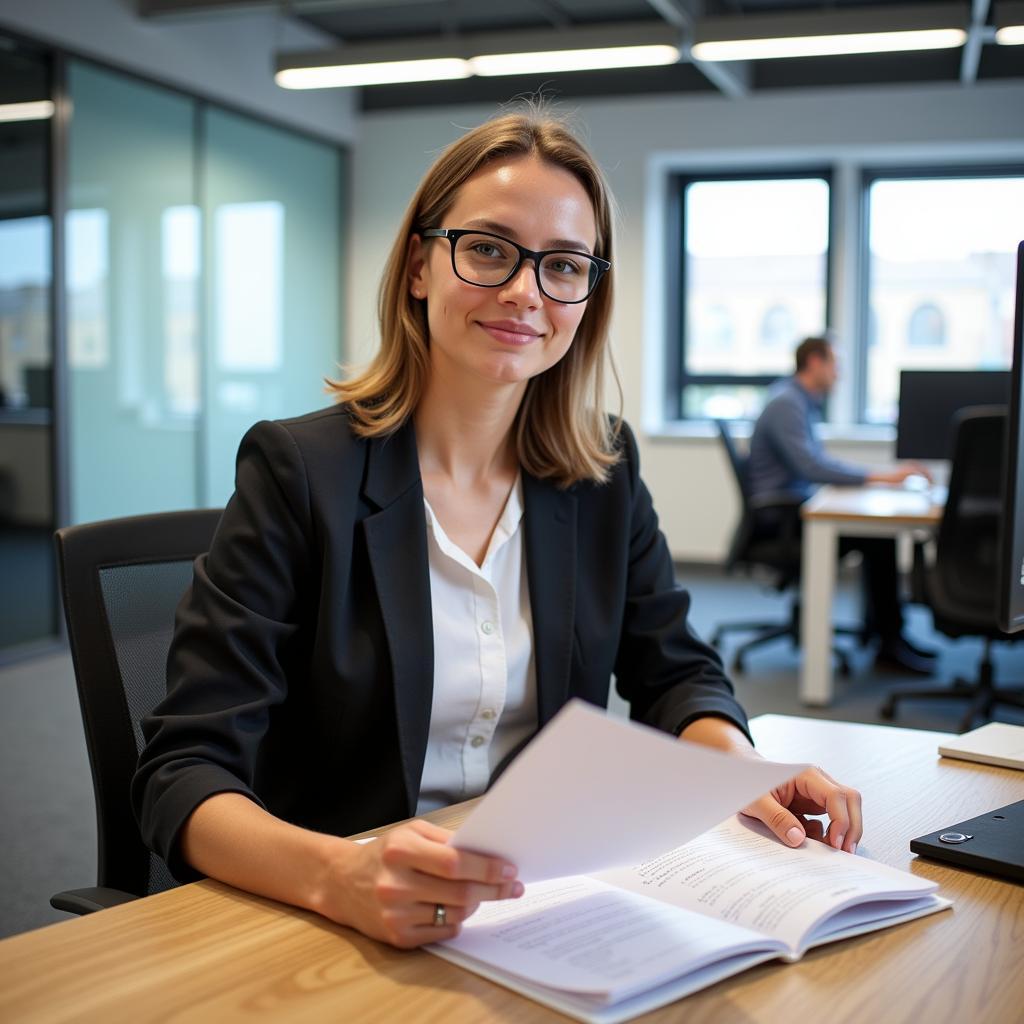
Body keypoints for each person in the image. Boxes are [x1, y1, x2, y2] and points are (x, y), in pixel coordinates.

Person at [132, 109, 863, 951]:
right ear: (418, 264)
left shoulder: (602, 470)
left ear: (588, 295)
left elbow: (676, 671)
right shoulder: (300, 472)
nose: (525, 291)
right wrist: (336, 874)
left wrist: (738, 766)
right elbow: (181, 773)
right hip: (338, 920)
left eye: (563, 266)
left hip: (535, 909)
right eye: (488, 249)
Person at [747, 336, 935, 674]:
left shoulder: (797, 400)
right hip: (781, 521)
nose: (840, 374)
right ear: (815, 362)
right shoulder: (787, 403)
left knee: (877, 536)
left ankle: (886, 636)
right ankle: (888, 641)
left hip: (792, 509)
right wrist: (880, 477)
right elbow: (811, 466)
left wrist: (873, 478)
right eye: (836, 364)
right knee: (877, 538)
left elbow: (814, 462)